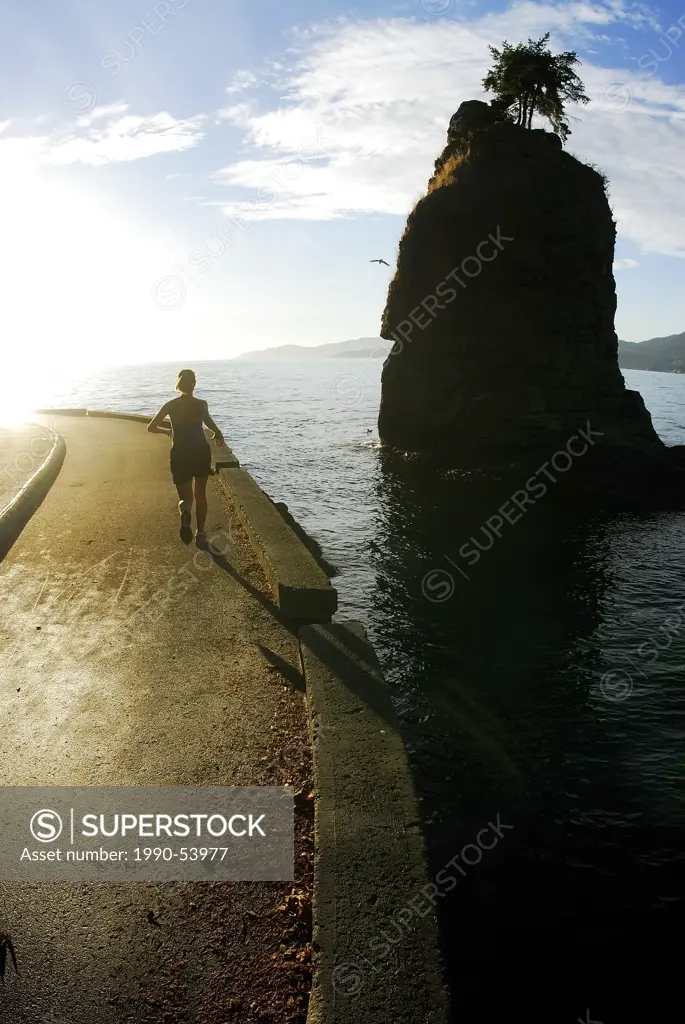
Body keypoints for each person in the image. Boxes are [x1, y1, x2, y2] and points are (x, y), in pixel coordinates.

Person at [147, 368, 225, 547]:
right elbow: (208, 421)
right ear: (194, 384)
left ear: (179, 384)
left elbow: (151, 427)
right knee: (201, 494)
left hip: (180, 453)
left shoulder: (170, 405)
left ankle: (185, 511)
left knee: (186, 498)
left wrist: (168, 431)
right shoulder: (201, 404)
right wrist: (218, 432)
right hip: (200, 451)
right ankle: (201, 534)